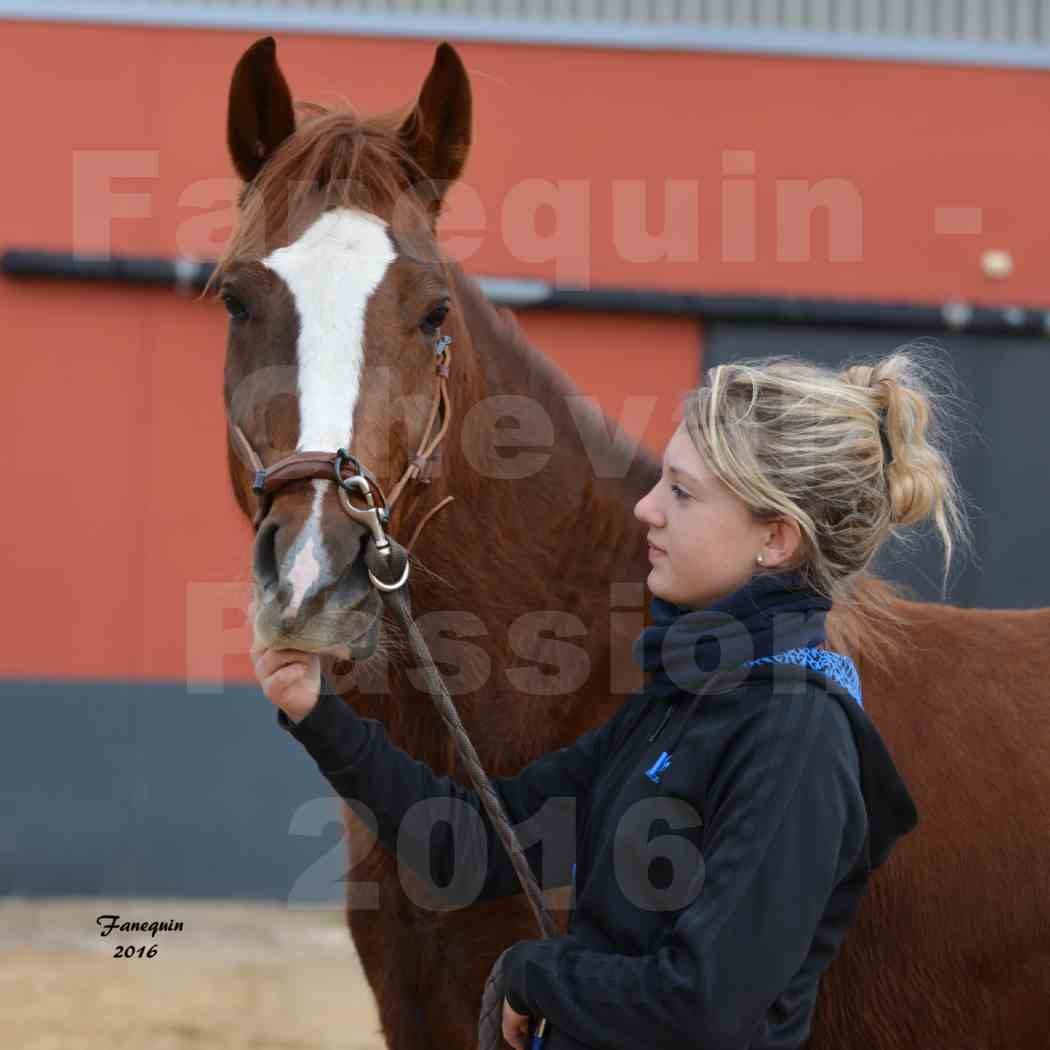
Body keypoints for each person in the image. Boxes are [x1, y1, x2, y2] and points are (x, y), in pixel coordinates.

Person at [252, 349, 969, 1050]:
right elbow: (469, 846)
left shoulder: (795, 737)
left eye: (682, 493)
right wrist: (316, 712)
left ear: (775, 539)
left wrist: (536, 973)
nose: (647, 509)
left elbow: (703, 1007)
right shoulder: (685, 699)